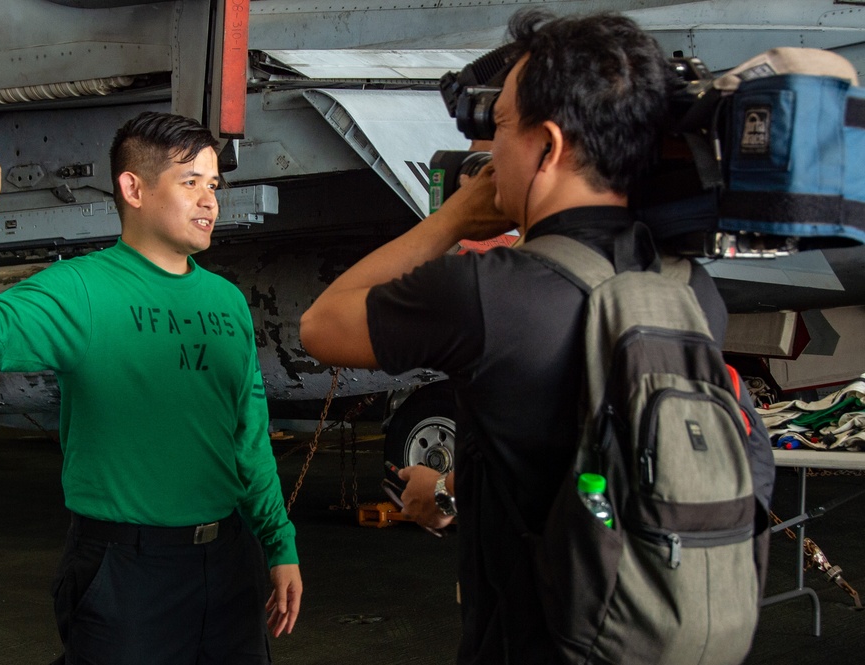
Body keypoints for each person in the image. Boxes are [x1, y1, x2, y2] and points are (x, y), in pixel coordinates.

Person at [300, 9, 772, 664]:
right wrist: (443, 490)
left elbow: (321, 325)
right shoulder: (690, 291)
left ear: (547, 147)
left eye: (499, 129)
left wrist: (455, 215)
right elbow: (589, 471)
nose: (491, 150)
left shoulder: (485, 294)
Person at [0, 110, 301, 664]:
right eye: (190, 182)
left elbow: (248, 438)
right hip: (126, 569)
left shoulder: (226, 301)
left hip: (228, 563)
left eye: (214, 184)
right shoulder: (80, 289)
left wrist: (279, 545)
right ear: (133, 188)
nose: (209, 200)